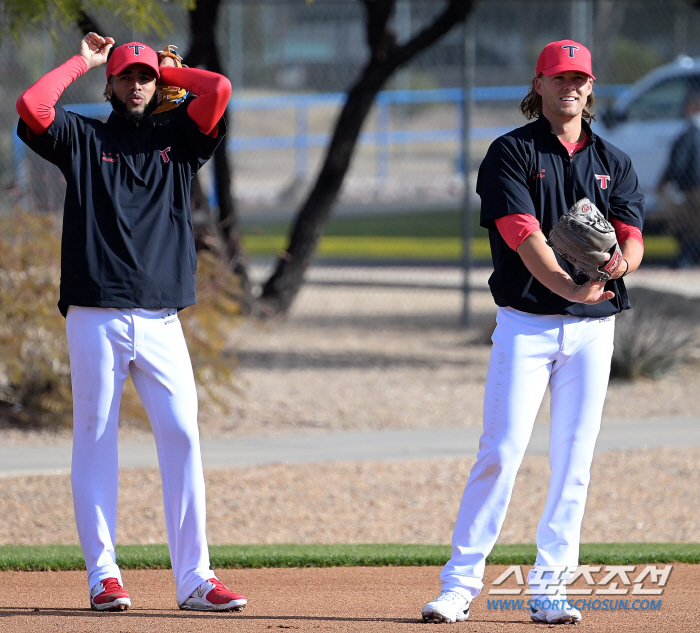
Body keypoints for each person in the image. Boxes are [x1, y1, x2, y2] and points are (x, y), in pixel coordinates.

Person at [16, 33, 246, 613]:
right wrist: (84, 60)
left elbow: (217, 88)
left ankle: (195, 578)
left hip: (162, 317)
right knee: (96, 440)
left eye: (146, 76)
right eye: (127, 76)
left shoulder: (179, 140)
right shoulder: (84, 138)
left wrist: (176, 71)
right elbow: (32, 106)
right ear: (111, 85)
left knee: (184, 438)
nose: (138, 84)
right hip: (95, 312)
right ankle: (103, 576)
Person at [421, 40, 645, 625]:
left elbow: (632, 235)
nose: (571, 86)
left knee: (575, 460)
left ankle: (550, 589)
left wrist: (620, 264)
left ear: (590, 88)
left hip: (594, 333)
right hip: (526, 326)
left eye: (581, 78)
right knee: (500, 452)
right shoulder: (510, 153)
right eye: (560, 77)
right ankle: (460, 584)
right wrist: (569, 286)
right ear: (538, 84)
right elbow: (524, 238)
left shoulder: (613, 160)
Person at [656, 87, 700, 267]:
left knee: (685, 228)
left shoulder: (689, 135)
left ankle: (684, 263)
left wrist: (668, 184)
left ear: (691, 107)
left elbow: (677, 166)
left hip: (693, 194)